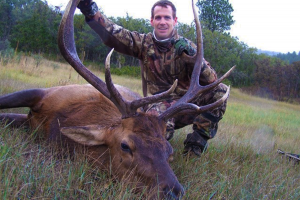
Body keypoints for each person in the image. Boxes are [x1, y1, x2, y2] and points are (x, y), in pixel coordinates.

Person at [77, 0, 228, 157]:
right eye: (158, 17)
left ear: (174, 21)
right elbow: (116, 34)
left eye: (167, 18)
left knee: (220, 91)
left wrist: (194, 58)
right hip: (159, 105)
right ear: (152, 21)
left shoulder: (187, 46)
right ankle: (153, 157)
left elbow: (212, 80)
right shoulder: (143, 44)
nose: (162, 22)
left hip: (187, 103)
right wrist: (91, 11)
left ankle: (194, 147)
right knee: (153, 135)